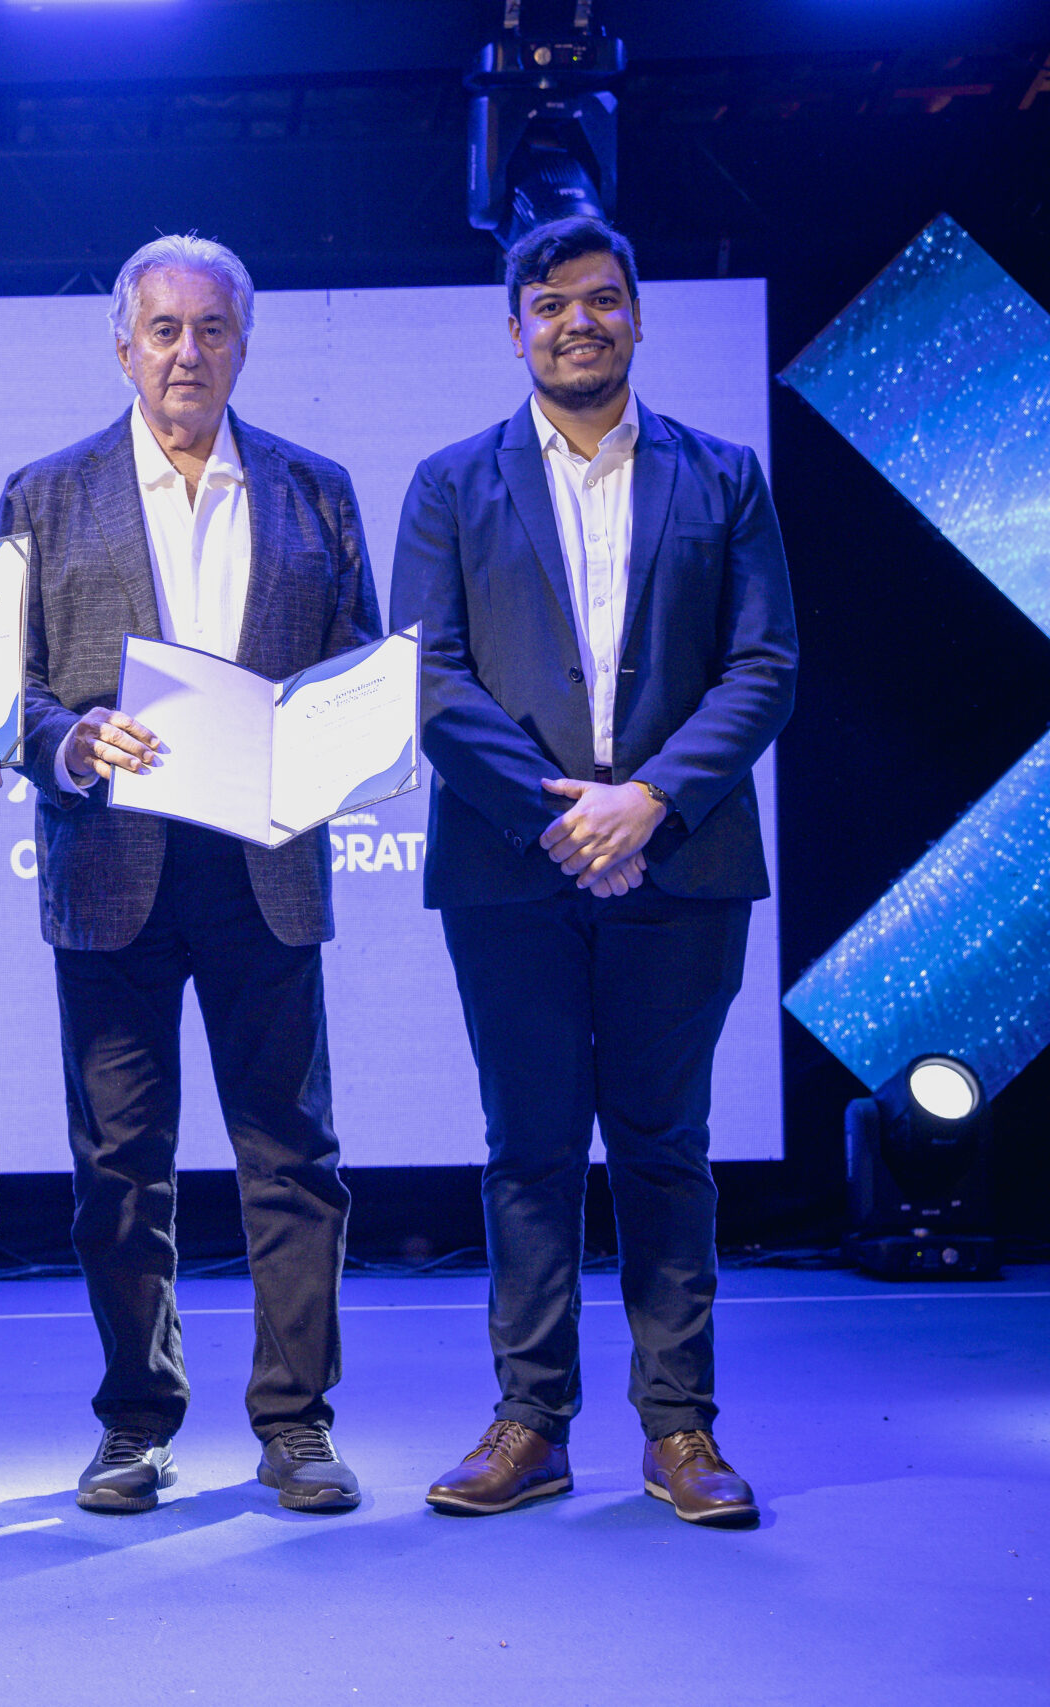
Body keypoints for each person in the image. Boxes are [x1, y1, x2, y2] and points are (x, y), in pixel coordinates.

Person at [391, 216, 797, 1527]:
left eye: (604, 298)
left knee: (665, 1148)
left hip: (682, 860)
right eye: (552, 301)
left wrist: (648, 802)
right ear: (514, 327)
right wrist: (564, 819)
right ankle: (531, 1422)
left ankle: (680, 1427)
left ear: (636, 318)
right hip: (511, 866)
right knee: (529, 1149)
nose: (580, 320)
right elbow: (427, 675)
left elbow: (764, 665)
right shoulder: (451, 483)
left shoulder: (723, 475)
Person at [0, 235, 379, 1516]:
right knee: (118, 1165)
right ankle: (135, 1422)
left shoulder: (316, 490)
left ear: (242, 345)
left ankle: (296, 1424)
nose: (186, 352)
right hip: (112, 863)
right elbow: (4, 688)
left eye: (211, 328)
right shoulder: (44, 495)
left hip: (266, 864)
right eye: (162, 329)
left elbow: (357, 663)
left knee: (293, 1156)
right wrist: (66, 740)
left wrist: (339, 734)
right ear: (122, 345)